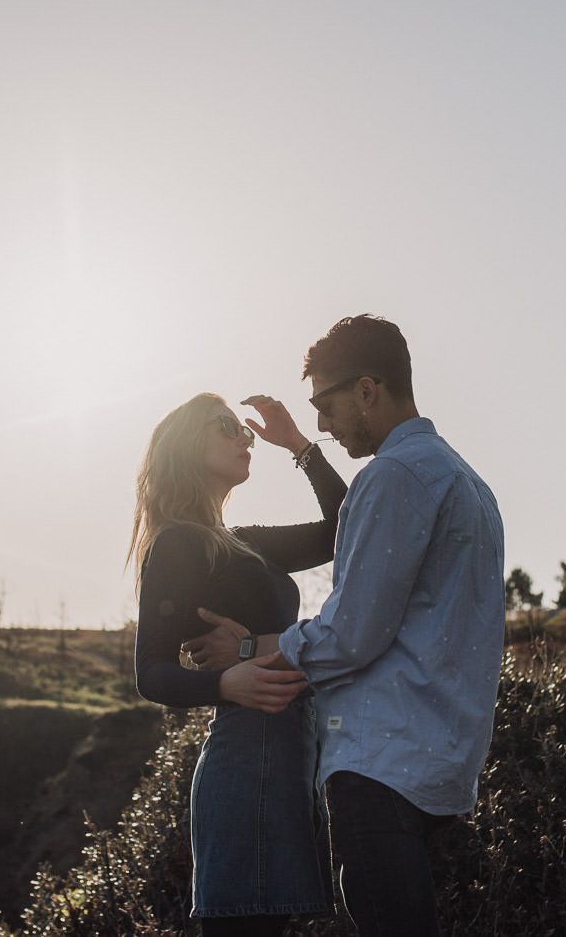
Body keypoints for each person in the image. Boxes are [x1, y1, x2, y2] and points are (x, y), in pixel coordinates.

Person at [184, 315, 505, 937]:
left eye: (325, 406)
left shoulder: (392, 477)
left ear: (367, 390)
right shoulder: (466, 480)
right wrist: (300, 445)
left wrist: (247, 648)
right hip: (440, 751)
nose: (324, 425)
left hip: (382, 755)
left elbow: (351, 633)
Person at [130, 391, 345, 937]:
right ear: (185, 445)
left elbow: (349, 528)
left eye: (244, 430)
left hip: (289, 759)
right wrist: (226, 681)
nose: (244, 437)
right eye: (226, 426)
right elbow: (151, 671)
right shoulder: (178, 543)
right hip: (246, 759)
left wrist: (300, 446)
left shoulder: (243, 544)